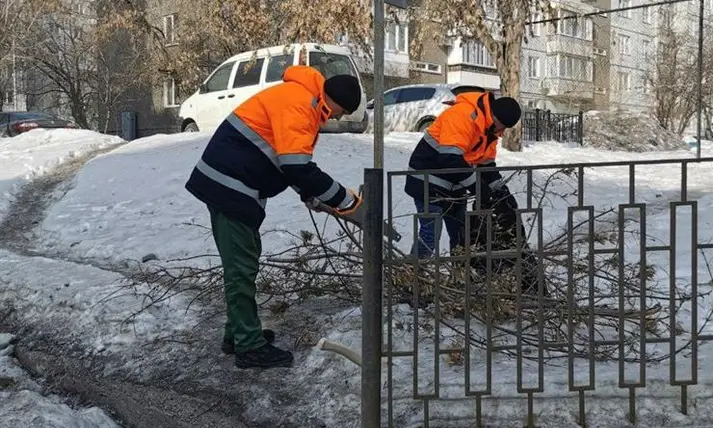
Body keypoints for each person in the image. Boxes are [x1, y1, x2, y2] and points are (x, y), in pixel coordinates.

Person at [185, 65, 363, 369]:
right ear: (334, 102)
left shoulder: (300, 97)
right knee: (241, 267)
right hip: (229, 186)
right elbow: (297, 167)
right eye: (341, 112)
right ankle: (249, 347)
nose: (337, 118)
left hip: (233, 184)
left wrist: (311, 194)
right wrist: (349, 203)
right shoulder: (301, 104)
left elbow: (286, 160)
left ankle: (239, 333)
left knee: (244, 262)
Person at [404, 91, 523, 259]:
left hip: (454, 186)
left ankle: (459, 277)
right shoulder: (463, 115)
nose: (502, 132)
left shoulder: (489, 130)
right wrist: (477, 187)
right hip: (427, 183)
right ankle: (413, 275)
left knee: (462, 236)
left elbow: (486, 165)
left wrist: (502, 192)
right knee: (430, 235)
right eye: (502, 126)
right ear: (495, 117)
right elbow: (450, 158)